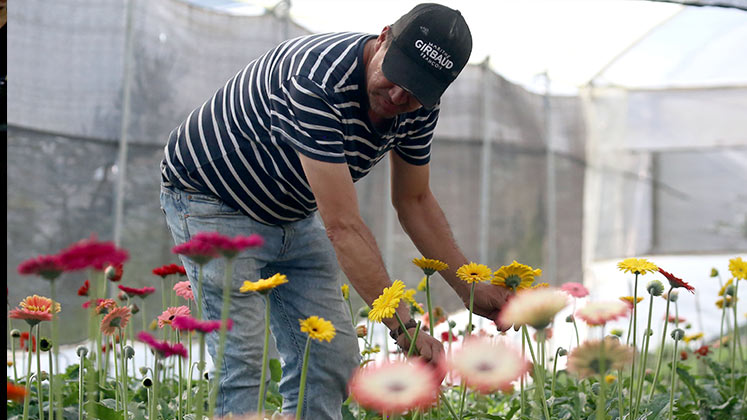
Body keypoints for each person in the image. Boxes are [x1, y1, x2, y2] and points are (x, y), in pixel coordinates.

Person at [159, 3, 512, 419]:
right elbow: (343, 226)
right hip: (212, 199)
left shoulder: (418, 105)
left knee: (331, 358)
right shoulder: (316, 81)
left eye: (416, 90)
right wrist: (404, 327)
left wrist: (471, 289)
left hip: (291, 209)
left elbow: (413, 201)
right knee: (243, 361)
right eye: (396, 76)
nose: (399, 96)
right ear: (383, 38)